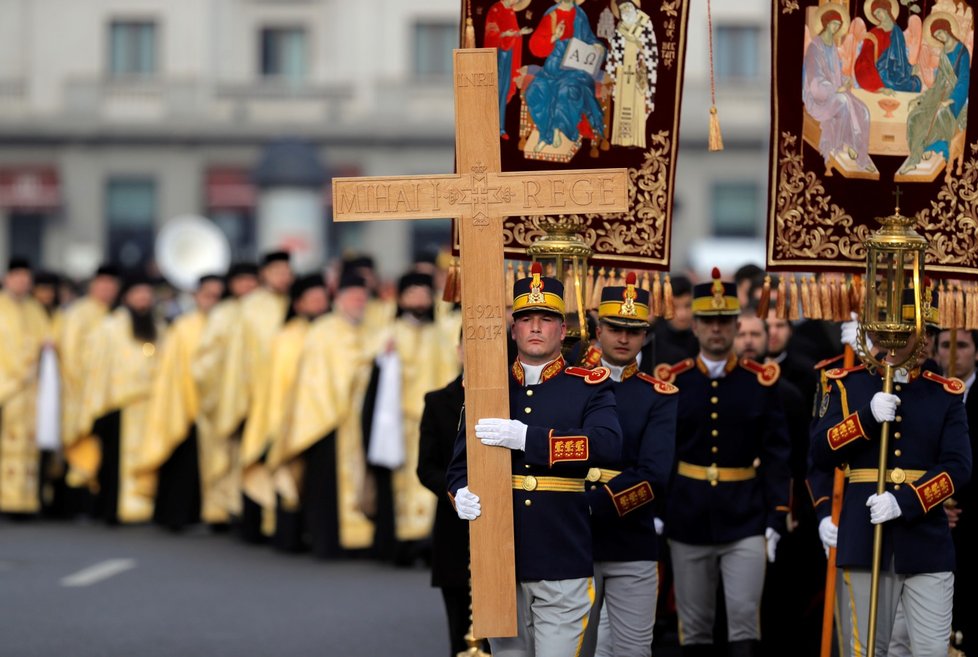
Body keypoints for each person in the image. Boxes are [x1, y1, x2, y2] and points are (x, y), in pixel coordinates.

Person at [448, 261, 624, 657]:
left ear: (563, 330)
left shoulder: (588, 387)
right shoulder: (487, 387)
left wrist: (528, 438)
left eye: (546, 319)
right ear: (514, 329)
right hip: (498, 556)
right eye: (526, 318)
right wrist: (459, 495)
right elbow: (459, 467)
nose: (535, 327)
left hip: (561, 551)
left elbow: (607, 445)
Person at [653, 267, 791, 657]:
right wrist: (659, 509)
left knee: (745, 627)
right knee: (694, 630)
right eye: (708, 321)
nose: (717, 329)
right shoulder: (674, 382)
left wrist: (776, 515)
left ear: (735, 325)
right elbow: (664, 453)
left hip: (745, 515)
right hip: (687, 516)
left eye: (724, 321)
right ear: (694, 326)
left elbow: (777, 454)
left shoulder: (759, 381)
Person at [810, 326, 972, 657]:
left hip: (926, 539)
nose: (895, 336)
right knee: (867, 650)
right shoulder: (847, 382)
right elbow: (821, 453)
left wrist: (906, 501)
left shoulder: (944, 393)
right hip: (866, 538)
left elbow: (958, 466)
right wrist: (866, 418)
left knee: (931, 650)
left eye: (909, 331)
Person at [579, 272, 677, 657]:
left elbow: (653, 476)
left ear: (645, 335)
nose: (623, 338)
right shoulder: (573, 382)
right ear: (598, 330)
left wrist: (590, 505)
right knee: (576, 648)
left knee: (632, 650)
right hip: (573, 538)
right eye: (615, 328)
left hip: (630, 536)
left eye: (633, 331)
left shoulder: (659, 395)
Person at [271, 271, 376, 557]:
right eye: (353, 298)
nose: (359, 303)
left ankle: (359, 538)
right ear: (339, 300)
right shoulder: (323, 331)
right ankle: (329, 542)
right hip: (328, 419)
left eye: (362, 298)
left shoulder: (368, 330)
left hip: (359, 421)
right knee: (326, 483)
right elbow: (317, 379)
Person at [363, 270, 460, 564]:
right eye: (411, 293)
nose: (418, 299)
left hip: (432, 422)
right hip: (400, 424)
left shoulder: (439, 335)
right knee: (401, 484)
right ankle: (402, 542)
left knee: (434, 476)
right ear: (401, 298)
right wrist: (382, 357)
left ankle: (430, 541)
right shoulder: (388, 333)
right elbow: (367, 374)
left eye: (423, 293)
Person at [242, 273, 328, 550]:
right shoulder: (286, 337)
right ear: (299, 304)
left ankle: (313, 534)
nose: (319, 304)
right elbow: (278, 384)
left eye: (322, 299)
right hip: (289, 416)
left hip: (320, 416)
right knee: (287, 477)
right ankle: (288, 537)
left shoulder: (330, 333)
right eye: (312, 300)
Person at [136, 274, 224, 531]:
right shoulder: (183, 328)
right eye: (207, 295)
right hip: (185, 404)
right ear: (197, 297)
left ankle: (215, 515)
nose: (212, 301)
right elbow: (172, 369)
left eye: (217, 296)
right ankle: (178, 516)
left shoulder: (228, 326)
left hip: (217, 407)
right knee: (182, 462)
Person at [77, 273, 165, 524]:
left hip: (150, 404)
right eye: (138, 293)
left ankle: (145, 506)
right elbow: (97, 365)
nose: (143, 299)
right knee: (114, 460)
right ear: (127, 297)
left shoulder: (158, 328)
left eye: (147, 294)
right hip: (119, 403)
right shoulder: (110, 327)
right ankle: (111, 509)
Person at [416, 343, 477, 656]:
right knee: (459, 634)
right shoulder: (438, 401)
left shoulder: (514, 398)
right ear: (459, 351)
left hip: (504, 530)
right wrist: (456, 491)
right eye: (472, 346)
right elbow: (425, 467)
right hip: (453, 529)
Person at [192, 262, 258, 527]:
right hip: (228, 397)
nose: (246, 287)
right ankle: (225, 507)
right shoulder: (223, 314)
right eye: (241, 281)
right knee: (226, 455)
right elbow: (206, 359)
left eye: (251, 280)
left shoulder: (268, 310)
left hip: (261, 396)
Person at [60, 264, 120, 501]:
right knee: (83, 440)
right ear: (92, 286)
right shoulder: (78, 313)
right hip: (83, 388)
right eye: (102, 284)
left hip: (110, 391)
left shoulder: (116, 314)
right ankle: (77, 500)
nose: (107, 289)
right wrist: (81, 385)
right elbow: (70, 352)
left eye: (111, 285)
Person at [935, 327, 976, 656]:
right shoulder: (926, 394)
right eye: (945, 345)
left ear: (976, 352)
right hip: (932, 519)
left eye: (961, 345)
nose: (953, 353)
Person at [0, 258, 48, 515]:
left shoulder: (35, 310)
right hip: (5, 388)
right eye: (16, 276)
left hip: (29, 391)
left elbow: (46, 338)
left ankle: (23, 500)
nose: (21, 282)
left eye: (25, 278)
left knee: (28, 446)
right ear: (7, 278)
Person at [803, 4, 876, 173]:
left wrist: (846, 80)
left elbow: (835, 74)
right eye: (833, 24)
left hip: (835, 92)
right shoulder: (815, 48)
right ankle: (841, 147)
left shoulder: (832, 47)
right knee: (843, 102)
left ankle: (860, 153)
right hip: (819, 100)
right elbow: (815, 84)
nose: (836, 28)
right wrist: (837, 88)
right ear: (826, 23)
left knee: (863, 110)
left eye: (838, 25)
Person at [525, 0, 606, 150]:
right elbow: (534, 46)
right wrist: (554, 37)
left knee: (566, 89)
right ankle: (546, 134)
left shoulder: (580, 16)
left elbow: (589, 39)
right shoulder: (552, 15)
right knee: (533, 92)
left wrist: (598, 47)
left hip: (575, 69)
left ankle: (556, 129)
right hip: (552, 69)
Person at [898, 14, 970, 175]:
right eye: (936, 36)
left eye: (940, 33)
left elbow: (964, 81)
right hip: (939, 94)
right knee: (915, 116)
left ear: (947, 29)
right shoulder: (944, 52)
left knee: (938, 115)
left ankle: (923, 155)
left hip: (955, 99)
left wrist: (951, 100)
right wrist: (921, 98)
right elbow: (939, 82)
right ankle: (917, 153)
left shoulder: (962, 51)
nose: (940, 37)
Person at [607, 0, 658, 148]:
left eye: (628, 7)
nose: (625, 11)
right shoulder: (620, 28)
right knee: (621, 105)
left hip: (638, 72)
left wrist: (638, 46)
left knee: (637, 106)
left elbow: (651, 49)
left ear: (634, 7)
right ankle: (620, 138)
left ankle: (635, 139)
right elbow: (615, 51)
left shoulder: (644, 24)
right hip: (623, 73)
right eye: (622, 9)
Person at [485, 0, 532, 139]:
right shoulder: (495, 9)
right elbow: (491, 31)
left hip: (509, 53)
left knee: (504, 89)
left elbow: (513, 31)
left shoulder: (510, 11)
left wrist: (519, 33)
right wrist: (504, 35)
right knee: (495, 88)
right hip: (498, 54)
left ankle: (500, 128)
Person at [854, 0, 921, 93]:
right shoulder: (873, 33)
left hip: (898, 74)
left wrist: (910, 69)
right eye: (875, 14)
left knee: (916, 83)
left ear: (886, 9)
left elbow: (902, 59)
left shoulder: (897, 32)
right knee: (894, 84)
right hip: (881, 74)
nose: (877, 16)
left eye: (878, 11)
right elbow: (864, 59)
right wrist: (877, 85)